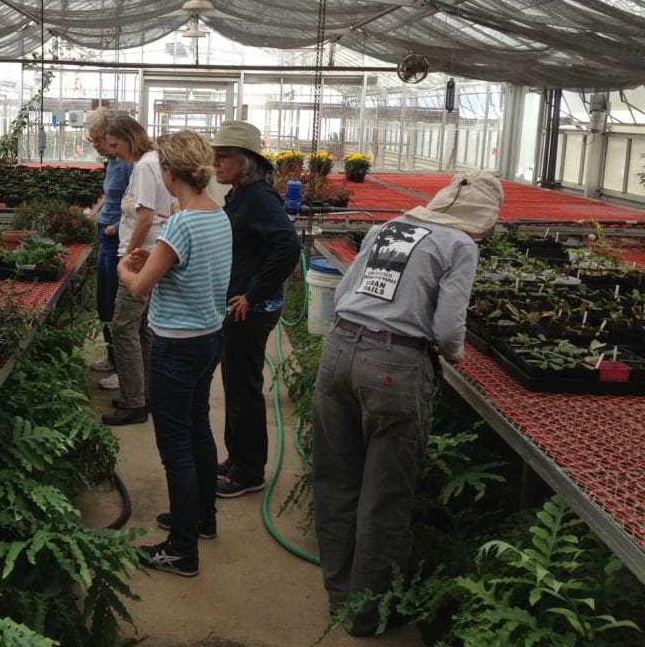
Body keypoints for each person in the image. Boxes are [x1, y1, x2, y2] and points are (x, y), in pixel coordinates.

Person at [311, 170, 504, 637]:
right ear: (480, 219)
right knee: (385, 497)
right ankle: (367, 614)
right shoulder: (461, 246)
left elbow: (341, 293)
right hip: (393, 369)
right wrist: (453, 357)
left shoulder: (386, 228)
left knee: (336, 481)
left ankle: (340, 598)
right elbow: (448, 332)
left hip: (337, 353)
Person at [116, 128, 232, 576]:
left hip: (176, 347)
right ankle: (201, 517)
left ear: (169, 170)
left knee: (175, 448)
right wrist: (156, 261)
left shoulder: (181, 221)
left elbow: (140, 287)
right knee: (199, 428)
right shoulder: (216, 215)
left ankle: (182, 550)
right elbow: (187, 268)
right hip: (208, 340)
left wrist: (129, 267)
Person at [210, 121, 301, 498]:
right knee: (235, 384)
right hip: (241, 309)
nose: (216, 163)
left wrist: (252, 293)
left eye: (224, 156)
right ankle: (237, 458)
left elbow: (288, 245)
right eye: (215, 156)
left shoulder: (258, 198)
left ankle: (249, 471)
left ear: (245, 161)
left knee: (245, 388)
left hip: (252, 310)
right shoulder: (242, 194)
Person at [100, 115, 172, 426]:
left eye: (115, 145)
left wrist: (127, 259)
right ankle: (145, 394)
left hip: (141, 256)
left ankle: (133, 403)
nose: (113, 152)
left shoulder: (144, 166)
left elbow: (144, 219)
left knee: (123, 327)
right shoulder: (154, 161)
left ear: (131, 138)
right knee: (143, 328)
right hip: (151, 251)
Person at [84, 108, 132, 387]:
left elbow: (139, 206)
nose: (98, 147)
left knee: (117, 304)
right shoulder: (113, 162)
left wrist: (117, 226)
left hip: (117, 239)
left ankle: (124, 368)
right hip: (107, 235)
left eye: (100, 140)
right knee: (104, 303)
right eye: (93, 141)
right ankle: (112, 357)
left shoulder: (128, 163)